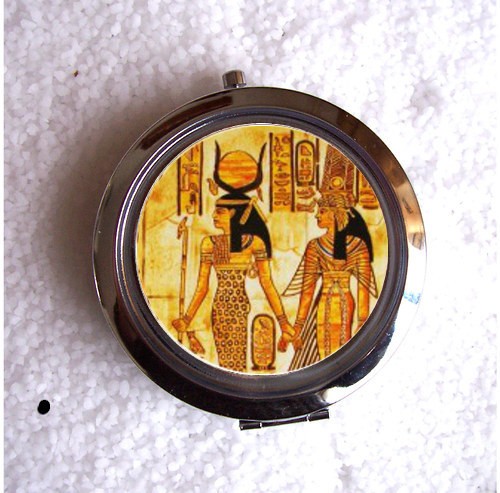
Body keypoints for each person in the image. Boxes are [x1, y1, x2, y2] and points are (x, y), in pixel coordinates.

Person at [172, 193, 295, 372]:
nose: (213, 215)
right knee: (226, 363)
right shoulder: (209, 243)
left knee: (237, 363)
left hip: (240, 307)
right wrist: (186, 320)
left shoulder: (255, 243)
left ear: (234, 214)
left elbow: (267, 284)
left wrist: (283, 322)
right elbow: (202, 287)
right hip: (221, 309)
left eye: (220, 211)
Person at [281, 193, 378, 369]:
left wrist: (362, 325)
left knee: (342, 350)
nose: (317, 215)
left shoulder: (358, 245)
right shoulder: (315, 246)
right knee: (321, 351)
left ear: (336, 213)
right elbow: (307, 290)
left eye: (323, 211)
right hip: (323, 305)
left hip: (345, 304)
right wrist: (298, 327)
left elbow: (363, 289)